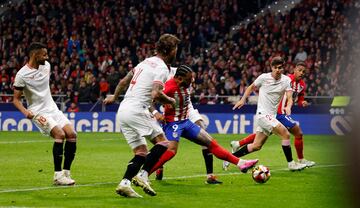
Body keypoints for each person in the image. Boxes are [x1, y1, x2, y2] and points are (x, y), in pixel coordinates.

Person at [144, 65, 258, 181]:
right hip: (173, 122)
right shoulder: (167, 84)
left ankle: (240, 163)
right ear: (179, 78)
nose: (191, 81)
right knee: (170, 150)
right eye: (189, 79)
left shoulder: (179, 74)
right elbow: (149, 98)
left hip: (186, 119)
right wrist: (155, 112)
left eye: (191, 78)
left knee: (210, 142)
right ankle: (144, 174)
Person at [103, 34, 179, 198]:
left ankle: (125, 183)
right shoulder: (162, 68)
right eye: (175, 49)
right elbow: (156, 93)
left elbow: (123, 81)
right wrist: (171, 101)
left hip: (123, 110)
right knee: (164, 143)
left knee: (141, 152)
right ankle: (143, 175)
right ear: (170, 50)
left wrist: (114, 97)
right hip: (138, 109)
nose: (176, 52)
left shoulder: (144, 62)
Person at [226, 62, 315, 170]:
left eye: (304, 72)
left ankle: (230, 157)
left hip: (274, 114)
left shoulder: (293, 83)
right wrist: (242, 100)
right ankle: (293, 163)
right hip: (273, 113)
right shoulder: (269, 78)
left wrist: (293, 105)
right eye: (300, 70)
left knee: (257, 145)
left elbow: (292, 98)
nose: (301, 73)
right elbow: (251, 87)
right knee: (288, 134)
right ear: (294, 69)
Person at [13, 42, 77, 185]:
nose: (47, 57)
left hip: (52, 108)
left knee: (72, 134)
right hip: (37, 111)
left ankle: (66, 173)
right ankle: (58, 176)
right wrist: (26, 112)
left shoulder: (46, 66)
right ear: (35, 55)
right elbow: (15, 100)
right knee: (60, 134)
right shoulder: (21, 75)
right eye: (44, 54)